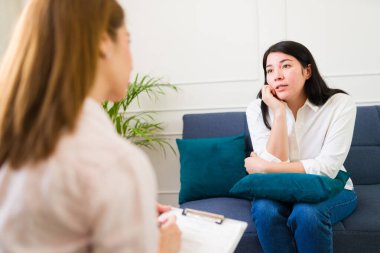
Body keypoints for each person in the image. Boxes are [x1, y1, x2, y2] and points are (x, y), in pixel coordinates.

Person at [0, 0, 180, 252]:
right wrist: (165, 248)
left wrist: (123, 206)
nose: (132, 61)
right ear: (102, 42)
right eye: (127, 40)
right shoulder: (115, 163)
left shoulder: (13, 148)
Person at [245, 41, 357, 253]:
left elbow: (328, 168)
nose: (277, 75)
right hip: (278, 190)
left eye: (285, 66)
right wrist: (278, 111)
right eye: (270, 70)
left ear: (307, 71)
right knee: (264, 211)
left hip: (329, 187)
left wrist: (265, 167)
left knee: (307, 213)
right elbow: (272, 170)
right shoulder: (257, 110)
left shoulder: (340, 104)